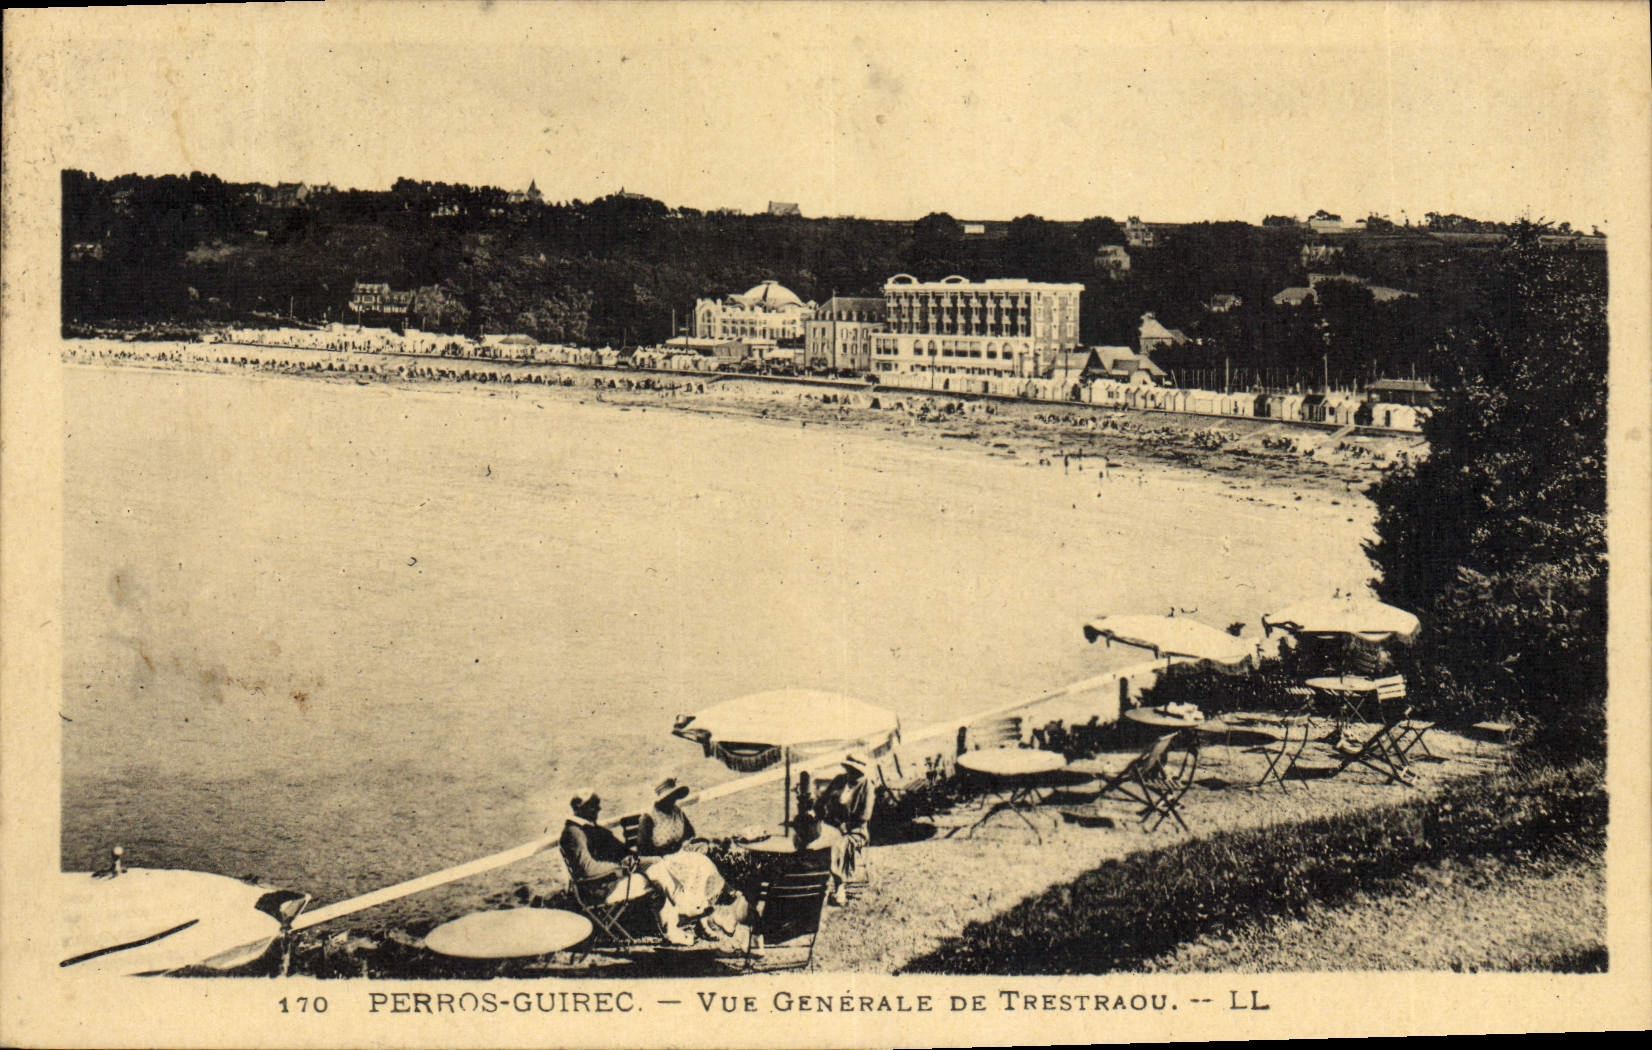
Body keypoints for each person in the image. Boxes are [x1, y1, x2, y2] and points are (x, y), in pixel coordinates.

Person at [635, 778, 746, 945]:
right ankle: (695, 916)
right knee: (680, 876)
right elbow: (643, 849)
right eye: (669, 797)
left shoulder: (677, 812)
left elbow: (689, 835)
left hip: (679, 854)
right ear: (661, 798)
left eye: (674, 796)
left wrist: (692, 845)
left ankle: (704, 919)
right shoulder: (649, 817)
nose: (672, 800)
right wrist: (665, 858)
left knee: (702, 863)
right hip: (657, 860)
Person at [813, 754, 876, 906]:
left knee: (837, 846)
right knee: (813, 840)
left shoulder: (867, 785)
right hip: (832, 825)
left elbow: (865, 815)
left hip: (855, 831)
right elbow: (822, 800)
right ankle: (816, 882)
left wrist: (845, 827)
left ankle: (839, 886)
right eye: (849, 769)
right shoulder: (839, 780)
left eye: (855, 770)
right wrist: (817, 809)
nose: (851, 773)